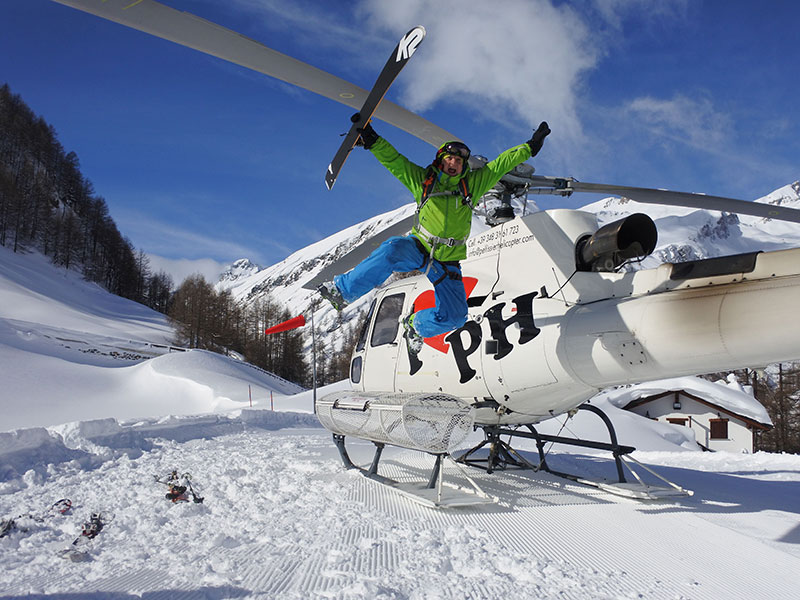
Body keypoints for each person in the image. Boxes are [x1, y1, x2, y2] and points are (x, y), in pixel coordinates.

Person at [319, 118, 550, 354]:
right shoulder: (423, 182)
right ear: (440, 161)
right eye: (449, 158)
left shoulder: (472, 186)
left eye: (459, 161)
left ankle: (416, 326)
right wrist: (373, 140)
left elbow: (501, 164)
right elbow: (395, 161)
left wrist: (530, 147)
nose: (454, 163)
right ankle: (343, 291)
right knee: (392, 249)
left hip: (447, 262)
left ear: (464, 166)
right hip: (419, 248)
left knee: (456, 317)